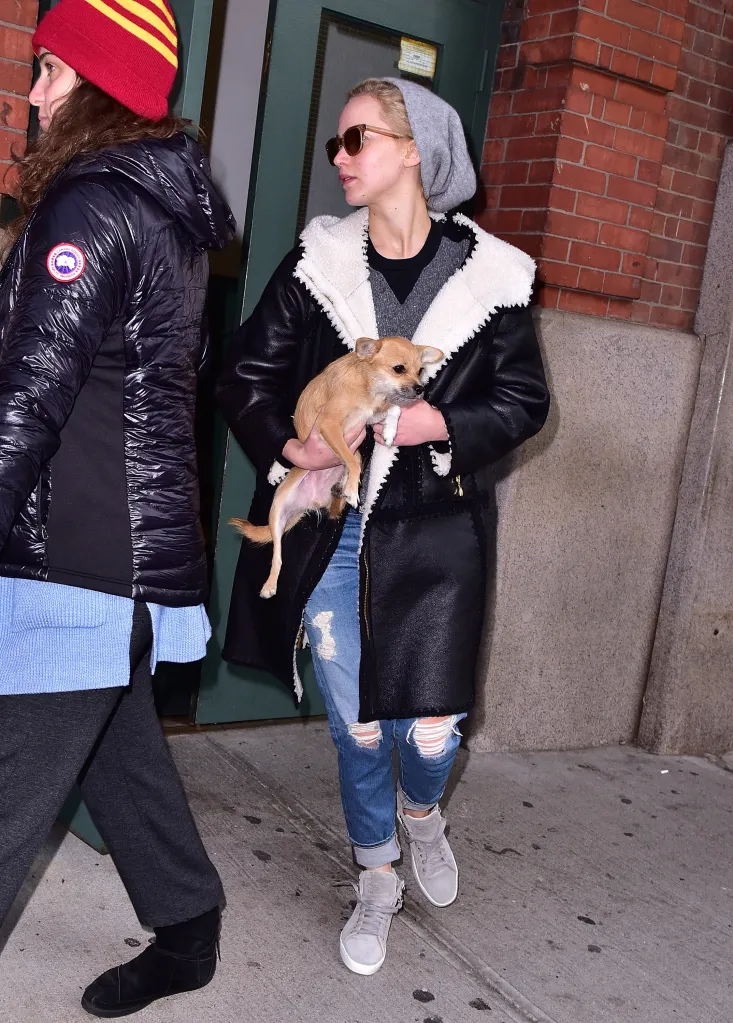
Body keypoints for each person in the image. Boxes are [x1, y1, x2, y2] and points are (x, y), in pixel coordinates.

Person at [217, 77, 549, 975]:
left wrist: (434, 422)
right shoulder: (317, 262)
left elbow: (524, 400)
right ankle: (374, 876)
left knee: (430, 732)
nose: (339, 159)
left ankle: (422, 815)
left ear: (414, 150)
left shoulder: (491, 276)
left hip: (437, 532)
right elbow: (242, 373)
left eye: (354, 140)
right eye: (335, 144)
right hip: (332, 525)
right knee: (359, 727)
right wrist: (292, 443)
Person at [0, 0, 235, 1016]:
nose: (33, 89)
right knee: (115, 746)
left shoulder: (90, 206)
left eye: (49, 69)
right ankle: (188, 926)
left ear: (93, 82)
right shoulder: (159, 210)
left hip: (78, 565)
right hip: (120, 560)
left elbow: (29, 398)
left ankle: (187, 927)